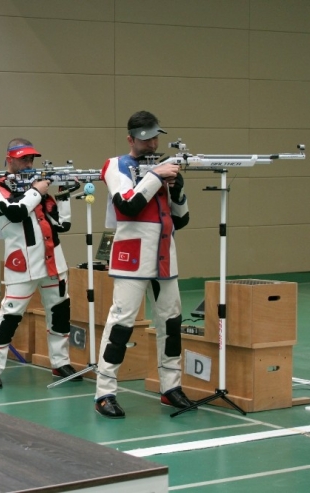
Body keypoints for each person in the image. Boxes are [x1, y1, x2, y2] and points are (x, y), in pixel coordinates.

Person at [94, 110, 194, 418]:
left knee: (171, 323)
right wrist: (156, 177)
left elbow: (182, 219)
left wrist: (176, 187)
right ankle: (104, 392)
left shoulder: (160, 169)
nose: (151, 143)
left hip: (164, 254)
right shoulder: (115, 165)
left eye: (154, 137)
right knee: (121, 324)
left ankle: (171, 387)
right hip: (131, 256)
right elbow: (128, 205)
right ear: (131, 139)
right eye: (145, 138)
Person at [0, 138, 81, 388]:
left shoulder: (38, 188)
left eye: (31, 159)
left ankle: (60, 363)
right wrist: (37, 190)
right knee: (10, 315)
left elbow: (62, 224)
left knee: (59, 313)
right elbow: (15, 211)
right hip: (21, 263)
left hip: (53, 261)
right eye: (23, 158)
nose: (28, 163)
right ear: (9, 159)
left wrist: (65, 193)